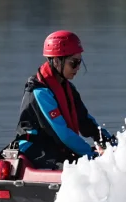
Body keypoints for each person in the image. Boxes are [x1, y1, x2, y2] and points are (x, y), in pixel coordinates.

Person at [12, 30, 108, 167]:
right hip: (36, 151)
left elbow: (85, 121)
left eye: (80, 62)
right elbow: (63, 134)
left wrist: (108, 141)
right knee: (84, 164)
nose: (78, 68)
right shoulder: (40, 93)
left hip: (55, 149)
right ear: (57, 61)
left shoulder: (68, 89)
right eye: (74, 63)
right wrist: (91, 155)